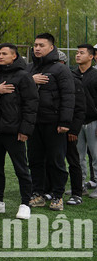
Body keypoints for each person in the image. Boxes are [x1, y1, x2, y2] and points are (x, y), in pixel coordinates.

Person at [0, 43, 37, 219]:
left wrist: (25, 129)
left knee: (21, 169)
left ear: (14, 56)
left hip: (15, 131)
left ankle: (25, 203)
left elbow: (31, 105)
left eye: (4, 54)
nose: (0, 56)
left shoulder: (24, 76)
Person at [29, 33, 74, 211]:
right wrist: (30, 81)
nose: (37, 48)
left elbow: (69, 97)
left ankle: (57, 196)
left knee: (56, 161)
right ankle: (37, 194)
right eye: (35, 45)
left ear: (51, 48)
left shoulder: (60, 69)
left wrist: (64, 121)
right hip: (33, 124)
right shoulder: (29, 69)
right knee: (34, 160)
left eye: (41, 45)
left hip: (54, 124)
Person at [73, 44, 97, 199]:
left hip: (94, 121)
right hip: (76, 122)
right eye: (77, 52)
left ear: (91, 56)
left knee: (96, 156)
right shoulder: (72, 74)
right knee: (77, 156)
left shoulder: (95, 74)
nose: (77, 55)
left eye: (81, 53)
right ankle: (80, 186)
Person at [62, 50, 86, 205]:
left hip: (70, 129)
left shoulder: (74, 80)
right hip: (54, 129)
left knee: (74, 160)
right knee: (53, 161)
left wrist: (73, 129)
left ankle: (77, 192)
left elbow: (79, 108)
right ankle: (51, 190)